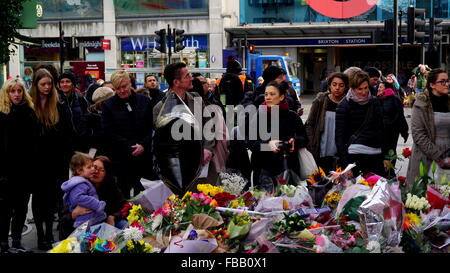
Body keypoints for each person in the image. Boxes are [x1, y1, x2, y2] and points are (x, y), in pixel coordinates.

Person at [153, 62, 216, 195]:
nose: (191, 78)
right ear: (176, 82)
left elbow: (209, 125)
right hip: (177, 171)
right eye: (187, 76)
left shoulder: (196, 99)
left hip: (203, 166)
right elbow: (160, 144)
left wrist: (207, 148)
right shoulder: (160, 108)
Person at [29, 68, 73, 250]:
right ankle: (41, 234)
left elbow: (68, 133)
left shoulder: (59, 105)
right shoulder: (30, 106)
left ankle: (49, 234)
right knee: (39, 201)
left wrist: (68, 157)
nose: (47, 88)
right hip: (37, 162)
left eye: (49, 84)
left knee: (55, 199)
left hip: (57, 161)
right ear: (36, 85)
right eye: (43, 84)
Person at [101, 70, 155, 198]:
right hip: (122, 158)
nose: (122, 91)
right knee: (122, 196)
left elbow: (152, 127)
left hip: (144, 157)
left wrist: (142, 145)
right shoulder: (108, 105)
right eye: (117, 88)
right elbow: (109, 132)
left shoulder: (145, 101)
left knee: (146, 196)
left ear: (130, 83)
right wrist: (130, 146)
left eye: (124, 86)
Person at [247, 81, 308, 191]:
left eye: (272, 94)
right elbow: (251, 143)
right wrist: (267, 144)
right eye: (266, 94)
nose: (268, 97)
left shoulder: (292, 116)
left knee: (289, 203)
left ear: (281, 97)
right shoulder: (258, 116)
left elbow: (304, 139)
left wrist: (294, 141)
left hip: (288, 166)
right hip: (263, 168)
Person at [0, 78, 38, 253]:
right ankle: (3, 244)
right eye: (12, 91)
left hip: (26, 169)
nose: (16, 94)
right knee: (5, 209)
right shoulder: (2, 114)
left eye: (19, 91)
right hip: (6, 171)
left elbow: (33, 143)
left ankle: (16, 241)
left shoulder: (29, 112)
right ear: (7, 93)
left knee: (21, 207)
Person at [59, 155, 127, 239]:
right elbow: (62, 220)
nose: (95, 171)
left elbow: (125, 206)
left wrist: (113, 216)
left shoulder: (111, 188)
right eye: (93, 167)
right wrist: (74, 214)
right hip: (76, 229)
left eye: (101, 170)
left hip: (101, 225)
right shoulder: (79, 186)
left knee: (124, 224)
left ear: (107, 173)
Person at [335, 70, 387, 177]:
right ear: (352, 88)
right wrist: (346, 165)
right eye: (360, 89)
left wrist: (386, 157)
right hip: (354, 156)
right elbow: (339, 138)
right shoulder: (344, 105)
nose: (364, 92)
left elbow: (382, 130)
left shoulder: (375, 102)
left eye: (366, 88)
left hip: (376, 155)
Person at [406, 68, 450, 188]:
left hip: (448, 157)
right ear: (432, 85)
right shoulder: (421, 103)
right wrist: (439, 156)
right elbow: (418, 135)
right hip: (427, 156)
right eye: (443, 81)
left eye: (448, 81)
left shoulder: (448, 102)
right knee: (426, 198)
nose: (447, 84)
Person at [306, 72, 349, 174]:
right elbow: (310, 124)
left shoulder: (348, 103)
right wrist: (312, 142)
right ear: (329, 85)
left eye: (341, 85)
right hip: (322, 148)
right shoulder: (320, 101)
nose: (337, 88)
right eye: (334, 84)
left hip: (342, 149)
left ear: (346, 87)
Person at [61, 152, 106, 228]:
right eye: (89, 167)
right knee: (86, 236)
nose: (93, 169)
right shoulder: (80, 184)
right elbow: (78, 198)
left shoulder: (82, 181)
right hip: (84, 220)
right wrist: (97, 204)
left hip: (87, 218)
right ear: (79, 171)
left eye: (92, 166)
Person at [377, 81, 409, 176]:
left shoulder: (395, 99)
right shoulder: (378, 99)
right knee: (382, 151)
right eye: (378, 87)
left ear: (387, 88)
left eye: (381, 87)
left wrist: (404, 131)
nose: (378, 89)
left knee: (391, 150)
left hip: (392, 131)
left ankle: (390, 172)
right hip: (380, 130)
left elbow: (400, 116)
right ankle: (384, 172)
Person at [58, 71, 90, 152]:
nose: (64, 84)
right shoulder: (56, 100)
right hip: (63, 143)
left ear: (72, 84)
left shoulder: (80, 98)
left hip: (81, 141)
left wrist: (85, 133)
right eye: (62, 82)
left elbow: (87, 116)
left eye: (67, 81)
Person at [79, 86, 115, 157]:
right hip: (98, 154)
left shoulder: (116, 112)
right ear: (102, 102)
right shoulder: (89, 117)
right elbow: (85, 137)